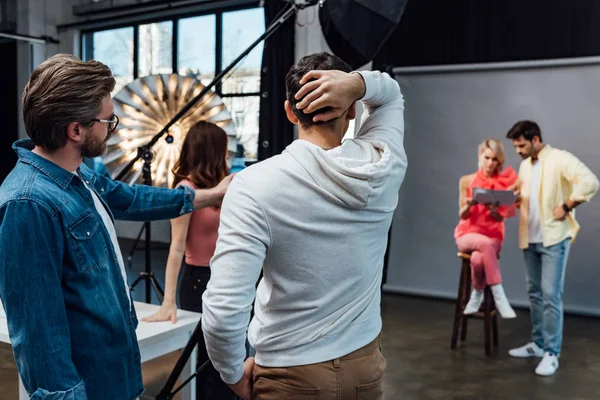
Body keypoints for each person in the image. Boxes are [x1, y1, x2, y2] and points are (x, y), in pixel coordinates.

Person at [0, 54, 232, 400]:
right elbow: (38, 333)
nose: (113, 128)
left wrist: (209, 194)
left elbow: (132, 198)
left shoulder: (77, 175)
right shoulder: (28, 204)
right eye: (108, 121)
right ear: (76, 130)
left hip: (114, 374)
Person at [202, 52, 406, 400]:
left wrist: (232, 372)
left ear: (288, 111)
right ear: (353, 109)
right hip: (365, 367)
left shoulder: (254, 185)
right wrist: (357, 84)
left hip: (289, 373)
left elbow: (224, 310)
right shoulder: (385, 164)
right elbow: (390, 94)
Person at [141, 121, 236, 400]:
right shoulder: (186, 190)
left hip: (228, 278)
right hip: (199, 283)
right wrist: (168, 301)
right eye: (223, 149)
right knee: (208, 364)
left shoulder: (222, 185)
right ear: (211, 151)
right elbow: (176, 248)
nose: (227, 155)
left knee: (229, 357)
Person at [505, 120, 598, 376]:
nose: (518, 151)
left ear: (535, 140)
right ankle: (538, 343)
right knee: (534, 293)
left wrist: (567, 206)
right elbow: (531, 198)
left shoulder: (560, 158)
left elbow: (590, 182)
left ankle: (552, 353)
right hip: (529, 238)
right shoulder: (525, 165)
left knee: (550, 295)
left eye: (522, 145)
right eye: (515, 146)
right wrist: (515, 197)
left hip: (554, 239)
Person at [454, 139, 519, 319]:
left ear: (500, 161)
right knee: (483, 245)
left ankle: (476, 294)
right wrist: (469, 206)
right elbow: (462, 215)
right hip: (468, 233)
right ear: (480, 157)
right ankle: (500, 297)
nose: (490, 163)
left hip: (493, 235)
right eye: (487, 158)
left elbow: (501, 218)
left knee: (477, 259)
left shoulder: (505, 183)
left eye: (495, 159)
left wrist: (494, 210)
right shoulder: (467, 180)